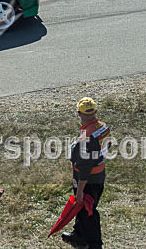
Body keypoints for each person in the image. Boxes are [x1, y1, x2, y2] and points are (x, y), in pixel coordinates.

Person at [61, 97, 111, 249]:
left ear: (79, 113)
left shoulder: (86, 138)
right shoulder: (103, 127)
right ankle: (78, 237)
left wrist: (80, 190)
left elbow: (85, 168)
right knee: (82, 210)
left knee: (88, 211)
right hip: (100, 175)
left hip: (88, 180)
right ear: (95, 112)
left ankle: (94, 244)